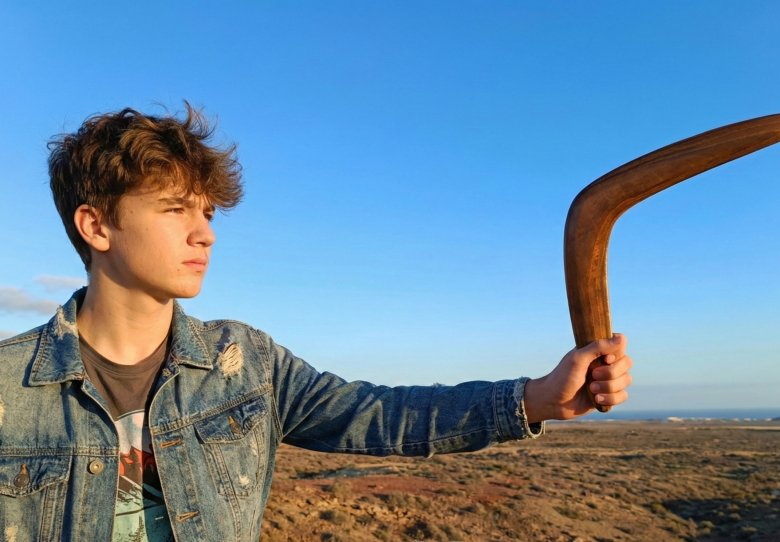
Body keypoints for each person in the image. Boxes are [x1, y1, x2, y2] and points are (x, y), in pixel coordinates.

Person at [0, 104, 632, 541]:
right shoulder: (7, 388)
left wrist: (536, 399)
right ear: (96, 225)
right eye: (175, 210)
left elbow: (379, 415)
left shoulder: (244, 364)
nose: (204, 234)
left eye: (210, 215)